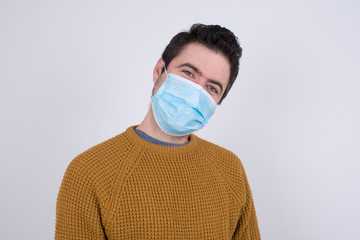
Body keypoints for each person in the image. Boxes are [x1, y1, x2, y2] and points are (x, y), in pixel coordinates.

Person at [55, 23, 261, 239]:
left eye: (211, 88)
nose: (195, 92)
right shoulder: (89, 172)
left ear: (218, 101)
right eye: (189, 73)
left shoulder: (229, 168)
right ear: (158, 70)